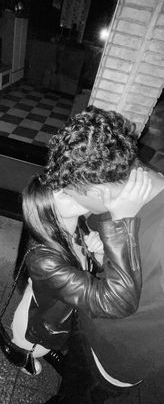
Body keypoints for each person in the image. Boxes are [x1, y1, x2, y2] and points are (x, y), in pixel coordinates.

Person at [41, 106, 164, 403]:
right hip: (92, 326)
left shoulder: (155, 234)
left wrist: (120, 226)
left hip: (113, 354)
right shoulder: (138, 181)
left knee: (77, 395)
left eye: (70, 192)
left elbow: (121, 303)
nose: (67, 199)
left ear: (97, 193)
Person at [10, 164, 151, 377]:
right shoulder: (45, 260)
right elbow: (118, 303)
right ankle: (22, 359)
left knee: (51, 342)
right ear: (48, 208)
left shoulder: (78, 228)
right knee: (32, 348)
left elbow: (88, 273)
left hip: (54, 309)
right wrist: (123, 221)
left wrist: (101, 256)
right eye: (65, 192)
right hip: (33, 327)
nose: (76, 190)